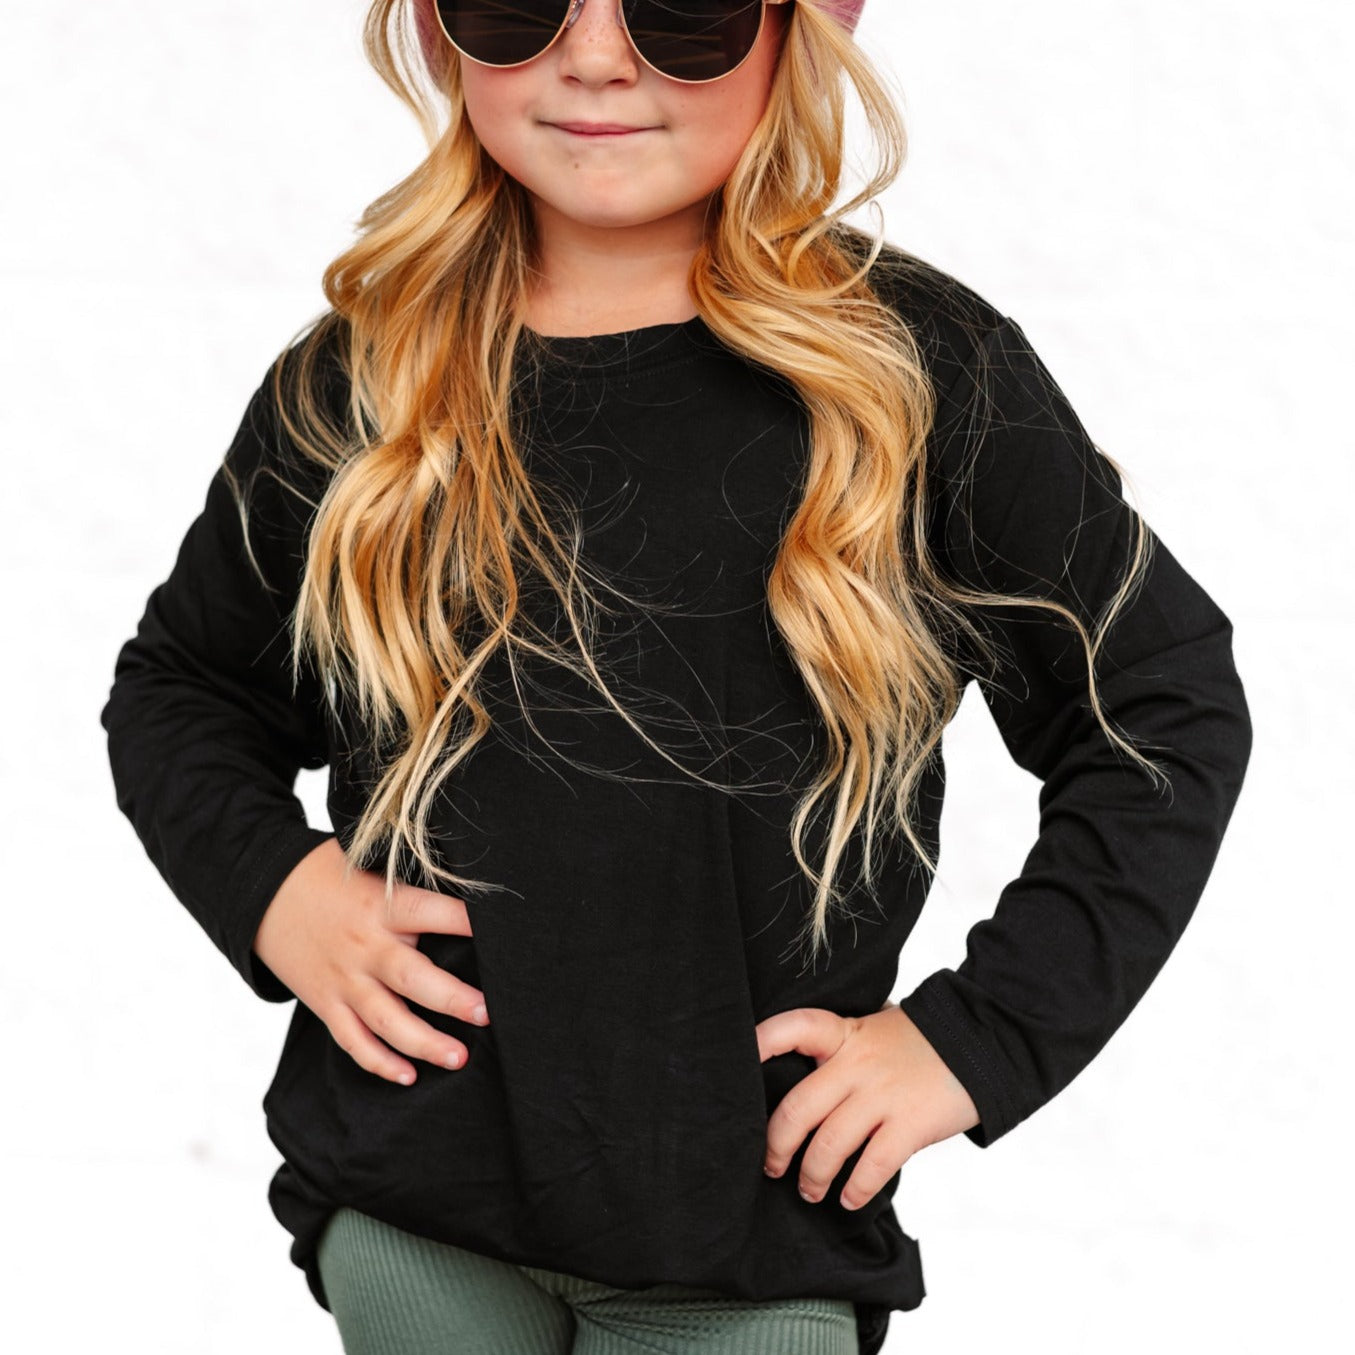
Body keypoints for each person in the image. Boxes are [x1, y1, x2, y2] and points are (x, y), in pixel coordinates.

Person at [99, 2, 1253, 1353]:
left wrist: (978, 1039)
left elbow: (1158, 708)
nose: (595, 57)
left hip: (753, 1237)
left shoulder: (911, 372)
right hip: (415, 1214)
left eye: (684, 7)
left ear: (796, 31)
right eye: (522, 3)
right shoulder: (364, 377)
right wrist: (275, 890)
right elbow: (185, 689)